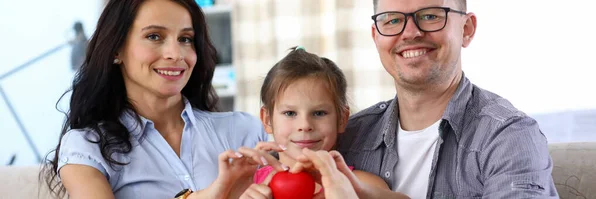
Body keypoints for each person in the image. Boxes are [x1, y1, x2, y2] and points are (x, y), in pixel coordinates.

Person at [42, 0, 286, 198]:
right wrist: (215, 193)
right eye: (154, 36)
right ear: (116, 49)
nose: (175, 54)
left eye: (185, 39)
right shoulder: (86, 147)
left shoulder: (243, 131)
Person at [336, 0, 559, 198]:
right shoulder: (346, 137)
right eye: (392, 20)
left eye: (430, 16)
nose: (410, 33)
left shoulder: (509, 137)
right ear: (376, 37)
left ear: (467, 29)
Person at [240, 47, 409, 199]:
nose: (305, 125)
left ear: (342, 119)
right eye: (290, 113)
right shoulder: (248, 187)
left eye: (319, 113)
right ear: (267, 120)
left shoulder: (360, 185)